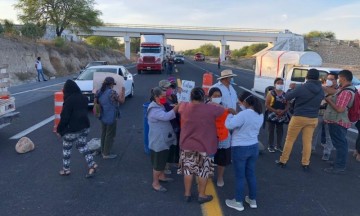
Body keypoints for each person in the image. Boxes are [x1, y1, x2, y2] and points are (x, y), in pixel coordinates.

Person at [177, 87, 225, 204]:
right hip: (205, 145)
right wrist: (212, 103)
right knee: (203, 171)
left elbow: (179, 107)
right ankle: (201, 195)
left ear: (191, 97)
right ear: (204, 97)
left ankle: (187, 193)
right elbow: (222, 110)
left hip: (187, 144)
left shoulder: (184, 106)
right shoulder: (211, 109)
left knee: (188, 171)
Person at [276, 69, 324, 171]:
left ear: (307, 77)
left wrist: (291, 89)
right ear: (317, 77)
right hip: (312, 118)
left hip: (299, 117)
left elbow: (287, 97)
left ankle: (283, 161)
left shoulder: (301, 87)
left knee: (290, 140)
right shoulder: (321, 89)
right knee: (307, 142)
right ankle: (305, 163)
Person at [224, 91, 263, 212]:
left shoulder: (244, 114)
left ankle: (238, 201)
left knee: (240, 176)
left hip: (240, 147)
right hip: (253, 146)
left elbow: (229, 125)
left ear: (245, 102)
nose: (239, 104)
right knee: (250, 174)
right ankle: (252, 200)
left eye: (240, 102)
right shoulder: (260, 113)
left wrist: (230, 115)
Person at [56, 79, 97, 178]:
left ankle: (66, 169)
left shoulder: (69, 101)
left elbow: (64, 117)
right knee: (82, 146)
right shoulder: (83, 98)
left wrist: (59, 131)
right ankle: (92, 164)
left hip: (72, 130)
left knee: (67, 148)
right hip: (85, 127)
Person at [323, 70, 357, 174]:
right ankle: (339, 162)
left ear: (343, 78)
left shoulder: (346, 92)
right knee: (340, 143)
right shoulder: (348, 89)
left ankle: (339, 166)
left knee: (341, 144)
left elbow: (340, 109)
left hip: (338, 121)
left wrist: (328, 101)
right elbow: (335, 93)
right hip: (340, 121)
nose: (338, 80)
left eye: (339, 78)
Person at [147, 87, 179, 192]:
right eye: (163, 96)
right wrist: (177, 107)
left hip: (164, 139)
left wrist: (172, 106)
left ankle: (162, 176)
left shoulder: (160, 105)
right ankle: (155, 183)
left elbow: (167, 109)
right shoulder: (153, 109)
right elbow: (167, 116)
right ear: (156, 97)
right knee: (158, 163)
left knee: (163, 160)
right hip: (158, 142)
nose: (165, 98)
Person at [206, 87, 235, 187]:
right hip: (210, 137)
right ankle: (209, 172)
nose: (217, 98)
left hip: (223, 137)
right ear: (209, 97)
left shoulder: (225, 107)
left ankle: (220, 177)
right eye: (215, 96)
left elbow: (231, 119)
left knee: (222, 159)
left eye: (219, 96)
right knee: (209, 157)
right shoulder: (205, 107)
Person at [94, 77, 125, 159]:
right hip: (111, 115)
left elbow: (96, 101)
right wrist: (123, 92)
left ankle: (103, 150)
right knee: (110, 134)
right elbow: (121, 101)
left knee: (104, 133)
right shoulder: (112, 92)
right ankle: (106, 153)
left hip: (102, 114)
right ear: (111, 84)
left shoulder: (99, 91)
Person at [312, 73, 338, 160]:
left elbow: (334, 93)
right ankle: (311, 148)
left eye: (331, 79)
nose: (328, 81)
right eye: (328, 79)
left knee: (329, 136)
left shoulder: (339, 90)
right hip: (319, 113)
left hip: (330, 116)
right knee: (314, 133)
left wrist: (321, 86)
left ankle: (327, 152)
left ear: (336, 80)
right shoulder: (322, 87)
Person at [265, 78, 289, 153]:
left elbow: (288, 105)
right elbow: (267, 104)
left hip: (281, 115)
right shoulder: (271, 93)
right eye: (278, 83)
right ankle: (270, 146)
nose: (280, 84)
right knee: (271, 131)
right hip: (272, 115)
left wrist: (283, 111)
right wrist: (275, 111)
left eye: (281, 83)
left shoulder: (285, 94)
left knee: (280, 131)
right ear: (275, 84)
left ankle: (278, 146)